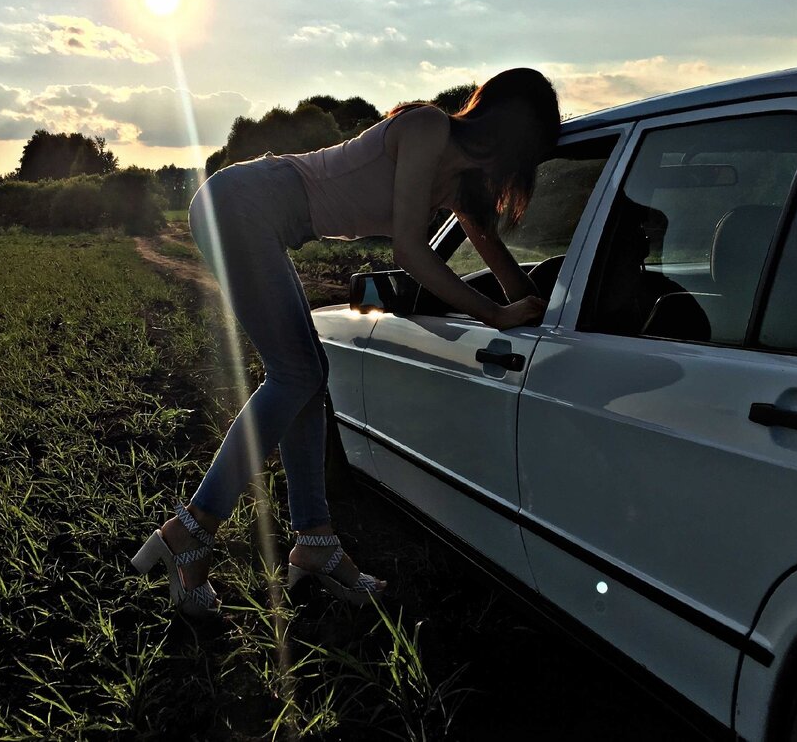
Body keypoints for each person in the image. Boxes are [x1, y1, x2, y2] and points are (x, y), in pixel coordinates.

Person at [131, 67, 560, 617]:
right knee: (298, 374)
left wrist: (543, 312)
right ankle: (192, 529)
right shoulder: (428, 128)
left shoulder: (461, 185)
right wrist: (496, 316)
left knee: (306, 377)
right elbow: (409, 250)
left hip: (264, 218)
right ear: (516, 133)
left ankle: (313, 543)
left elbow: (500, 264)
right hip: (241, 203)